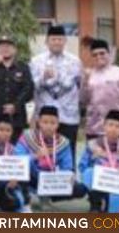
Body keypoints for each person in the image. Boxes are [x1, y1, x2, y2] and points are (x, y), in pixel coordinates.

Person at [15, 106, 84, 210]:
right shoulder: (27, 137)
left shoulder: (63, 142)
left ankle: (48, 197)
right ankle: (27, 198)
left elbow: (68, 167)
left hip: (51, 181)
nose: (49, 126)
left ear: (58, 125)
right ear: (39, 122)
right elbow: (17, 161)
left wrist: (66, 177)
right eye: (45, 122)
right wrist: (35, 156)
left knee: (80, 189)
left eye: (52, 123)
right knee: (20, 172)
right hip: (32, 178)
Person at [31, 24, 82, 164]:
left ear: (65, 41)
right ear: (47, 41)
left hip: (68, 115)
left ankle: (69, 182)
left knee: (68, 152)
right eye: (53, 39)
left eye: (60, 39)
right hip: (45, 115)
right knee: (42, 152)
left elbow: (80, 86)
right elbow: (31, 87)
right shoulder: (36, 61)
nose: (57, 42)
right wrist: (43, 77)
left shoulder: (75, 61)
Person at [78, 110, 119, 213]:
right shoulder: (93, 145)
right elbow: (82, 166)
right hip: (99, 184)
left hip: (117, 184)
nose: (113, 129)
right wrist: (93, 159)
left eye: (117, 126)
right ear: (104, 126)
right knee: (89, 173)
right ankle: (95, 204)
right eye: (110, 125)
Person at [81, 39, 119, 140]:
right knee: (96, 155)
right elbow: (83, 100)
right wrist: (85, 82)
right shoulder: (89, 75)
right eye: (94, 55)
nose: (99, 57)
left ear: (109, 53)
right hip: (95, 127)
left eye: (102, 53)